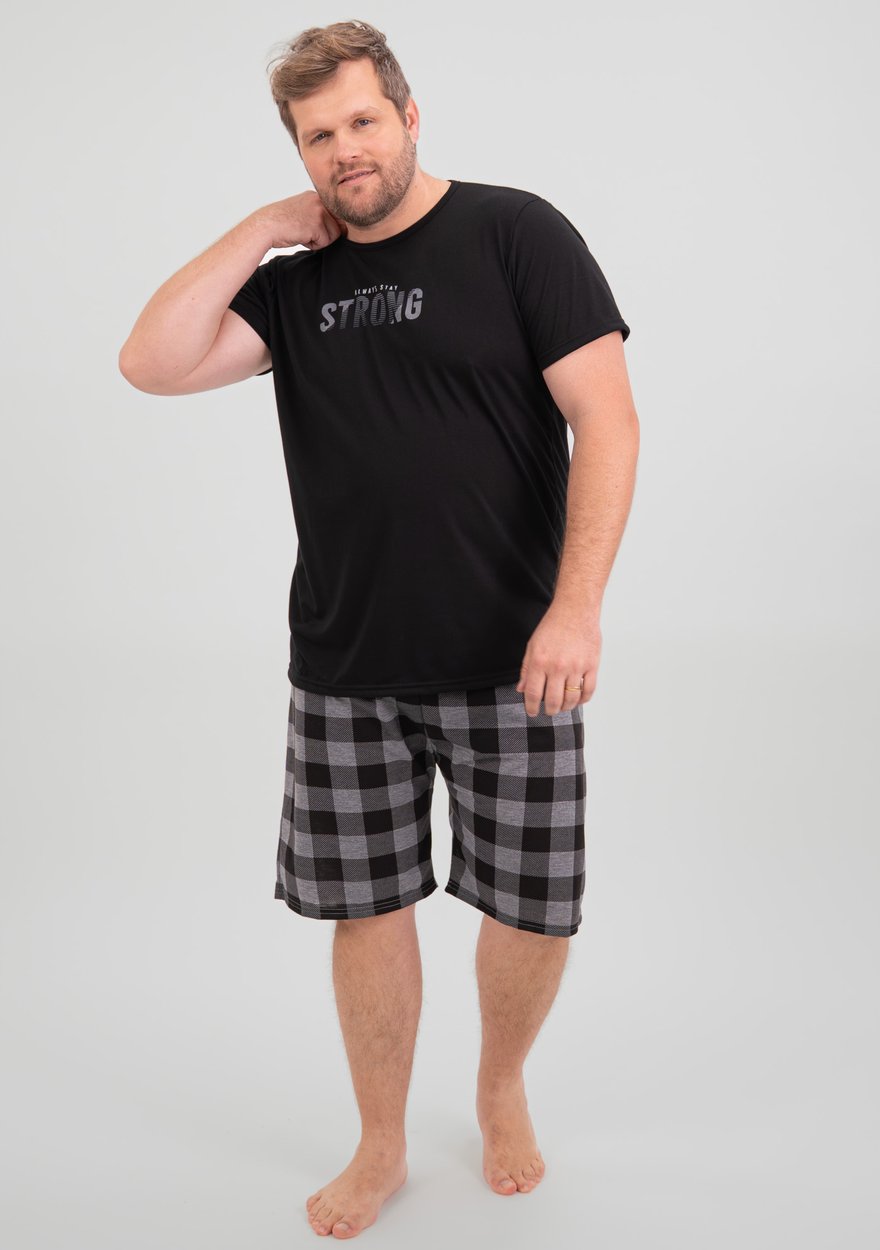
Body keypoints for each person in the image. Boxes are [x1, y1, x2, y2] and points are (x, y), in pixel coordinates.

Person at [119, 17, 639, 1241]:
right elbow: (150, 361)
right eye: (317, 137)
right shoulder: (294, 287)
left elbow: (608, 422)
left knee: (531, 905)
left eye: (360, 120)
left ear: (407, 116)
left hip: (516, 656)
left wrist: (575, 608)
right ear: (299, 153)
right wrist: (260, 228)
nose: (344, 149)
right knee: (368, 907)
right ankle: (383, 1140)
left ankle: (499, 1085)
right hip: (346, 663)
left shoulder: (516, 232)